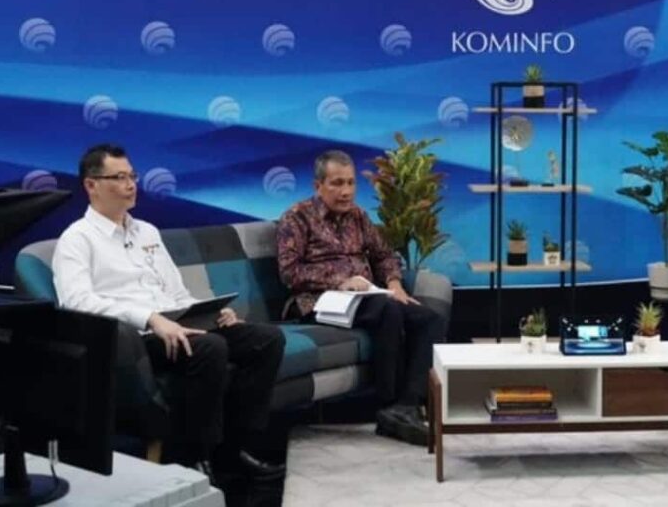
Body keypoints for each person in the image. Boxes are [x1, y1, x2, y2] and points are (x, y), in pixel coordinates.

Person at [51, 144, 286, 484]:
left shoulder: (147, 232)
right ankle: (193, 457)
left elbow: (176, 292)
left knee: (265, 340)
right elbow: (77, 302)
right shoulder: (77, 239)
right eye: (119, 177)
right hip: (134, 339)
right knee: (210, 348)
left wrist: (212, 312)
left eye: (133, 176)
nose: (131, 184)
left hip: (175, 324)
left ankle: (235, 449)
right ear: (92, 185)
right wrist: (149, 317)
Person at [277, 149, 443, 446]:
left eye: (351, 183)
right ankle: (386, 403)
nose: (346, 192)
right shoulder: (296, 217)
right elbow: (290, 272)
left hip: (366, 297)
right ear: (318, 185)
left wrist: (395, 283)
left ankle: (405, 406)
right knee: (389, 311)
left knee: (429, 318)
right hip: (319, 300)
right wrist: (340, 281)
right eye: (337, 183)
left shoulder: (358, 216)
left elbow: (384, 255)